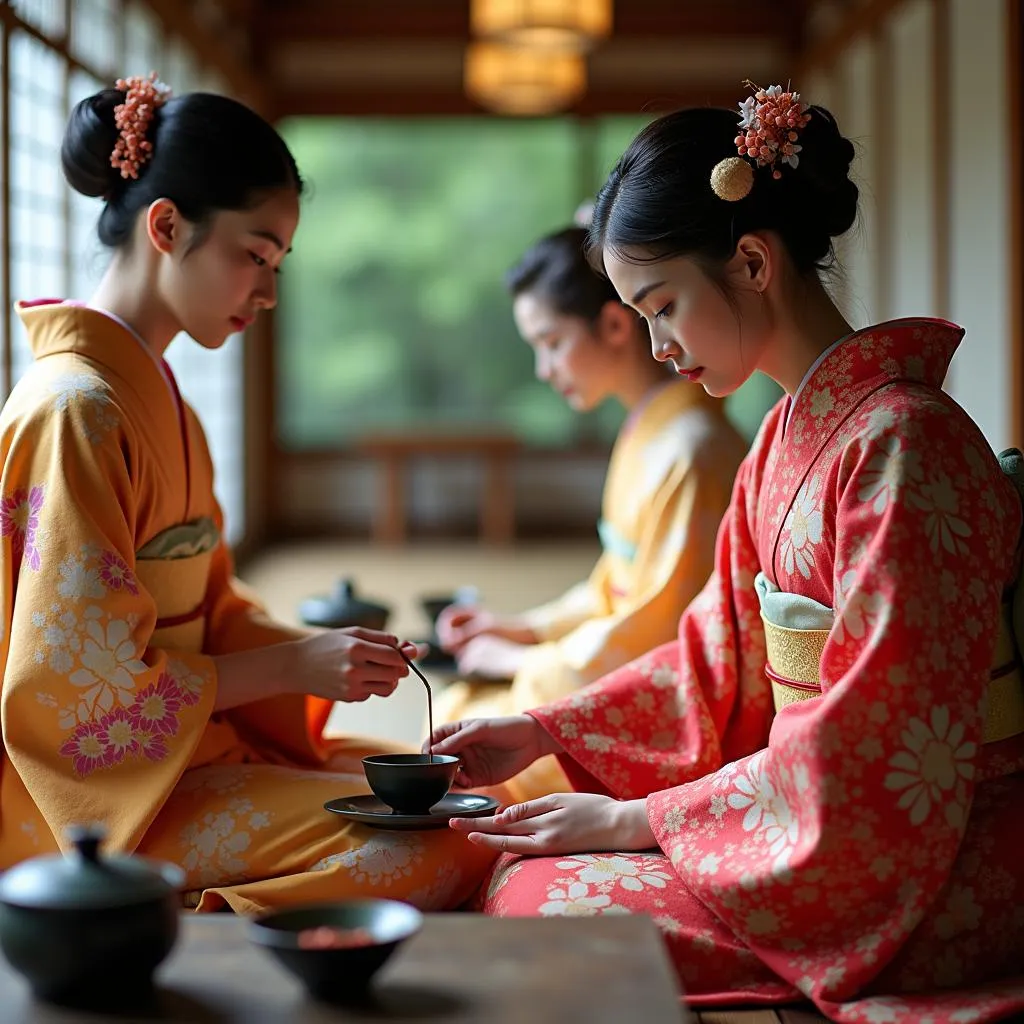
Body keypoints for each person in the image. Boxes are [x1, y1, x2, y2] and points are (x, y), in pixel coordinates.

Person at [428, 86, 1024, 1022]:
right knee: (519, 879)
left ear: (751, 261)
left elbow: (879, 740)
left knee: (540, 909)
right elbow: (718, 661)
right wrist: (547, 729)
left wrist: (636, 822)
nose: (657, 345)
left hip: (931, 858)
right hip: (806, 817)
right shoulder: (784, 439)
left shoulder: (906, 445)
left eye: (661, 306)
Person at [0, 74, 502, 913]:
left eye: (277, 263)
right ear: (167, 227)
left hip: (190, 753)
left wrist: (326, 654)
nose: (267, 292)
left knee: (476, 808)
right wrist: (292, 664)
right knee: (438, 847)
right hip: (100, 801)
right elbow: (76, 695)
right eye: (254, 255)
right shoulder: (75, 410)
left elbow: (215, 610)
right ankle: (161, 918)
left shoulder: (162, 404)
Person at [435, 225, 747, 799]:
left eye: (551, 342)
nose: (543, 368)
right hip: (613, 666)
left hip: (671, 705)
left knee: (468, 750)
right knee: (462, 711)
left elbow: (657, 627)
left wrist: (520, 661)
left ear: (612, 324)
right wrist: (526, 630)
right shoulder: (653, 430)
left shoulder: (691, 449)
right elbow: (615, 585)